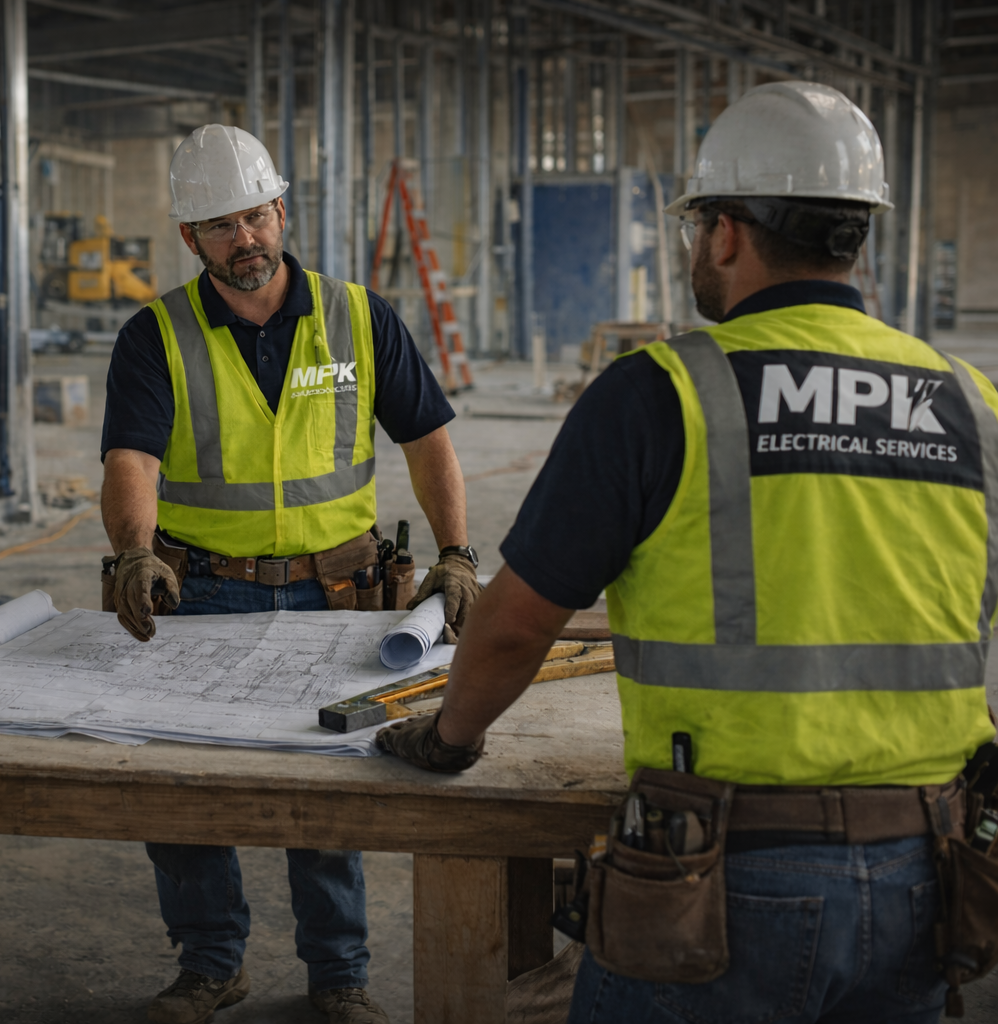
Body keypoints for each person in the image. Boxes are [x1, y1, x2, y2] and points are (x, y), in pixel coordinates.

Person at [377, 81, 998, 1022]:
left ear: (725, 232)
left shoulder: (660, 394)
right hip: (928, 868)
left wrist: (447, 738)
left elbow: (514, 628)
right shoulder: (969, 402)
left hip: (716, 874)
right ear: (856, 232)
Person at [100, 124, 481, 1024]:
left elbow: (427, 440)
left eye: (255, 216)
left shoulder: (357, 314)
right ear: (189, 239)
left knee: (330, 791)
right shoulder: (156, 334)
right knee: (187, 790)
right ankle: (209, 965)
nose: (246, 240)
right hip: (204, 592)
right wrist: (133, 552)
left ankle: (338, 976)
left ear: (282, 209)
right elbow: (131, 463)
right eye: (220, 226)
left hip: (335, 590)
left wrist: (458, 553)